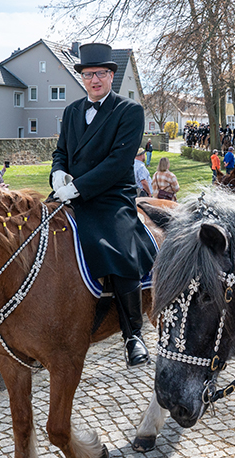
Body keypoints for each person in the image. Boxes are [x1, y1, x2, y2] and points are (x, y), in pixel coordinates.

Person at [50, 43, 156, 367]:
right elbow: (61, 152)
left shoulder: (129, 111)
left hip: (111, 196)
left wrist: (78, 188)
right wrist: (57, 174)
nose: (94, 80)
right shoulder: (71, 111)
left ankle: (132, 335)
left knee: (118, 248)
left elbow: (117, 162)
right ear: (81, 77)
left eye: (100, 73)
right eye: (88, 74)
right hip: (68, 192)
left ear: (111, 75)